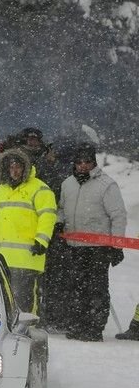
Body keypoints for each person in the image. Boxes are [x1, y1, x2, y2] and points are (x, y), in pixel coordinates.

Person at [54, 143, 127, 341]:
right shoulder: (67, 183)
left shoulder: (106, 184)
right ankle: (78, 324)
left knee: (96, 288)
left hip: (99, 248)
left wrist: (116, 246)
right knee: (76, 287)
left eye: (87, 161)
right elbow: (61, 208)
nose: (83, 165)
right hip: (74, 246)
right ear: (74, 163)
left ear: (93, 162)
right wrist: (59, 223)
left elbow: (118, 216)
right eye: (79, 162)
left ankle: (94, 328)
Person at [0, 148, 58, 312]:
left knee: (26, 300)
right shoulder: (1, 190)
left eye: (18, 167)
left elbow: (48, 216)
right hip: (2, 257)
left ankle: (28, 331)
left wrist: (41, 240)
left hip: (28, 256)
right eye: (11, 167)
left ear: (25, 167)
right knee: (3, 300)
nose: (14, 171)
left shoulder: (40, 189)